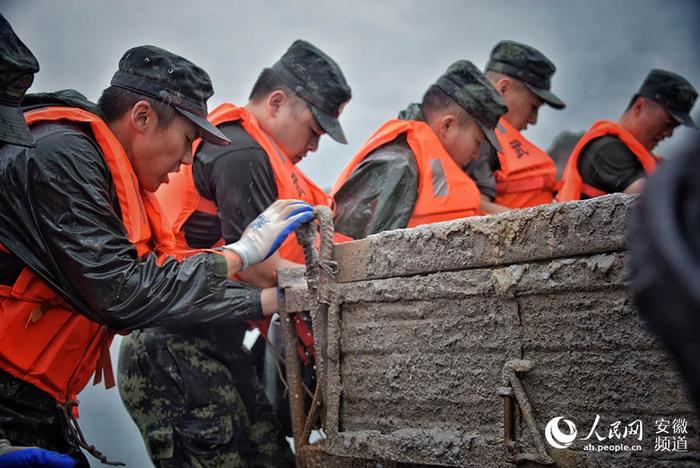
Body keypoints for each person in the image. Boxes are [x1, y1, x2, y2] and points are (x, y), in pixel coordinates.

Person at [0, 44, 313, 467]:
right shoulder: (64, 157)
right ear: (142, 117)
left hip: (38, 405)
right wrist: (239, 255)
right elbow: (124, 293)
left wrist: (264, 300)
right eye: (187, 139)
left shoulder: (108, 175)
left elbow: (156, 283)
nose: (188, 159)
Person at [118, 39, 351, 467]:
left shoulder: (248, 149)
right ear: (277, 103)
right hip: (172, 349)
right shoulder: (241, 152)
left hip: (215, 338)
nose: (314, 147)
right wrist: (345, 290)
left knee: (274, 457)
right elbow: (260, 271)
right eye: (314, 130)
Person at [333, 60, 506, 239]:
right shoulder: (398, 165)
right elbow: (350, 255)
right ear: (447, 125)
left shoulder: (419, 164)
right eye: (477, 142)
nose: (476, 154)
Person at [557, 68, 697, 201]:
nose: (669, 134)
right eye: (667, 123)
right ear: (639, 107)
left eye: (675, 127)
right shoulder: (606, 148)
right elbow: (650, 200)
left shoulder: (641, 158)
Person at [466, 40, 566, 213]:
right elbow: (473, 208)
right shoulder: (477, 136)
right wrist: (539, 226)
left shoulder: (488, 137)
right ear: (503, 89)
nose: (534, 120)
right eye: (533, 107)